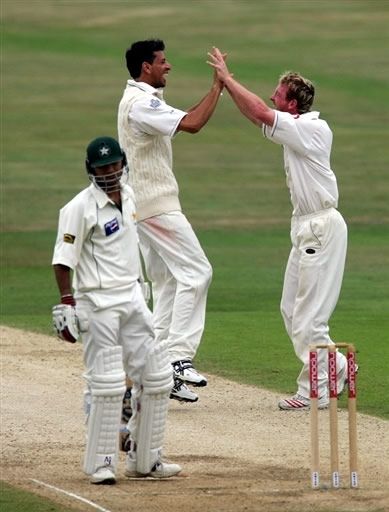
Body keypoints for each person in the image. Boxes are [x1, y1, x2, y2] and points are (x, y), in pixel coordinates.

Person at [208, 47, 352, 410]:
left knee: (309, 317)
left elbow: (259, 110)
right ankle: (336, 366)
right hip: (306, 229)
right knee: (291, 309)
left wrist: (228, 79)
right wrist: (226, 87)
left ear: (292, 105)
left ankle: (316, 389)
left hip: (319, 227)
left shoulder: (311, 128)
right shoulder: (294, 128)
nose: (273, 95)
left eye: (278, 93)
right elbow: (257, 116)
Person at [52, 135, 182, 484]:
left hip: (133, 298)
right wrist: (67, 302)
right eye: (102, 168)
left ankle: (146, 460)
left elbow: (129, 246)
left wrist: (141, 287)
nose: (109, 173)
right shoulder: (78, 208)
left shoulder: (131, 195)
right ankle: (101, 462)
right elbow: (63, 260)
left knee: (155, 376)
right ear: (89, 170)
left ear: (123, 162)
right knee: (106, 382)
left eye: (113, 165)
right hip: (98, 302)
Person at [118, 39, 225, 403]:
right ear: (146, 67)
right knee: (198, 273)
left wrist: (214, 90)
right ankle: (178, 358)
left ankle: (156, 368)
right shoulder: (141, 105)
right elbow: (193, 123)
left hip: (143, 206)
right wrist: (218, 87)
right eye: (163, 61)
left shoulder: (145, 101)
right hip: (156, 206)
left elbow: (182, 118)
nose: (169, 66)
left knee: (166, 284)